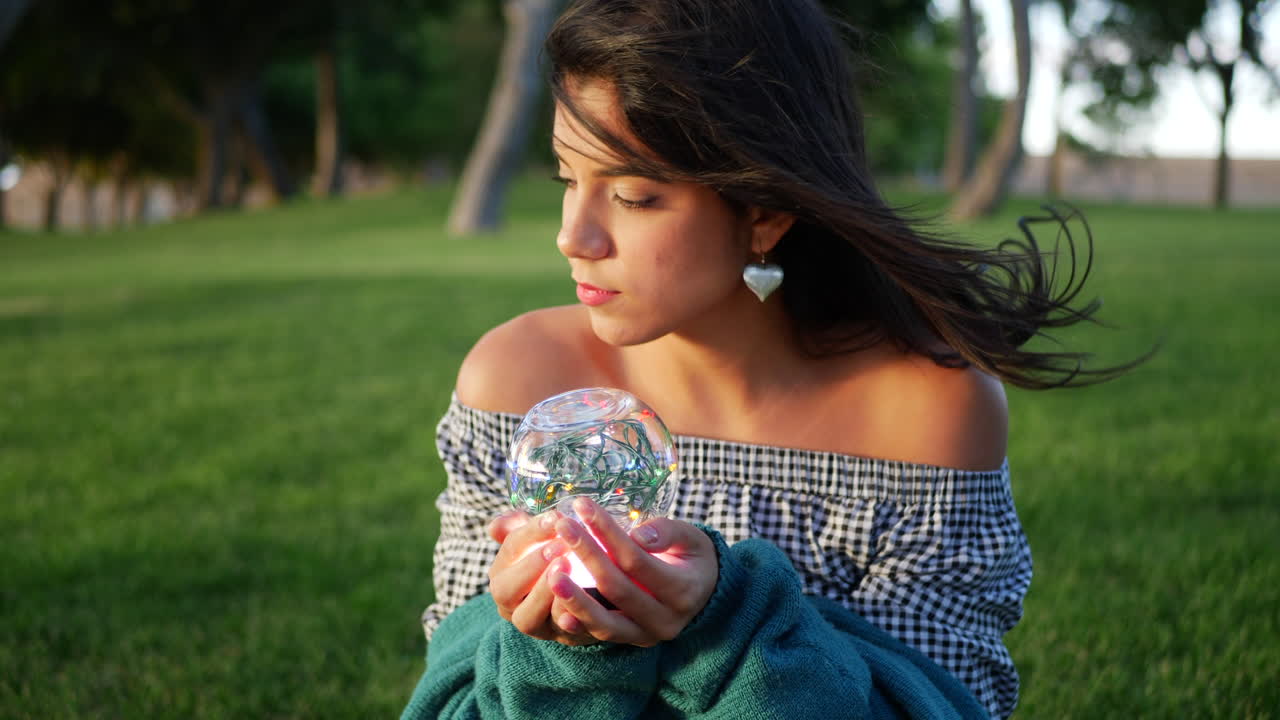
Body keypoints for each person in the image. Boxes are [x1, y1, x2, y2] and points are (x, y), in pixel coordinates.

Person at [402, 1, 1138, 718]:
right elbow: (450, 700)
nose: (574, 236)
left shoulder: (925, 413)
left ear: (764, 213)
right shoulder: (516, 388)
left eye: (633, 195)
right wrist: (560, 651)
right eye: (568, 177)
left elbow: (940, 704)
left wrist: (725, 617)